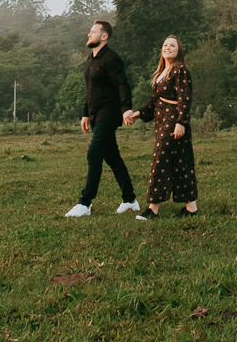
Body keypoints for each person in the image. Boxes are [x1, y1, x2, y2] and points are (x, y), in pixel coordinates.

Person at [64, 19, 140, 218]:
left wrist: (126, 110)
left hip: (110, 113)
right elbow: (90, 89)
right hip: (96, 114)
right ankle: (130, 200)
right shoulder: (91, 59)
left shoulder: (111, 59)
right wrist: (85, 114)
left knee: (93, 153)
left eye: (93, 32)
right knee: (112, 157)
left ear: (104, 36)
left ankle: (85, 203)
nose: (89, 34)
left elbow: (122, 84)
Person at [124, 35, 197, 219]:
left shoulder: (180, 70)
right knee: (181, 163)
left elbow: (185, 98)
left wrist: (181, 122)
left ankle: (153, 209)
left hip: (174, 122)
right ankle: (191, 209)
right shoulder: (162, 72)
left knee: (160, 161)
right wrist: (138, 114)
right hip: (161, 121)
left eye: (172, 45)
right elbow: (155, 101)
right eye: (165, 45)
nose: (168, 47)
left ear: (179, 50)